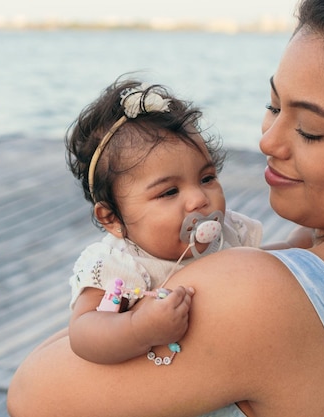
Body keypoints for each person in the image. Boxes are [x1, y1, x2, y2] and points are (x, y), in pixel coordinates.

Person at [8, 0, 324, 416]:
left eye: (311, 130)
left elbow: (31, 394)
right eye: (272, 106)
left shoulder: (250, 295)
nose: (267, 141)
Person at [64, 79, 263, 364]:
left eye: (206, 178)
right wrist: (139, 328)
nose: (199, 200)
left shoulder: (230, 233)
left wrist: (300, 247)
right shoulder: (121, 265)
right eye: (169, 191)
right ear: (113, 219)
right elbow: (83, 333)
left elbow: (265, 264)